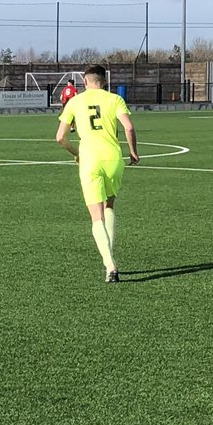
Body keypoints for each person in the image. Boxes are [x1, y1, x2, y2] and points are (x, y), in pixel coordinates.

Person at [54, 64, 140, 284]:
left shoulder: (75, 101)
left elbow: (60, 137)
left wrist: (77, 153)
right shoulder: (114, 100)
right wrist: (133, 151)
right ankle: (109, 256)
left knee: (95, 216)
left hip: (90, 160)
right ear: (104, 81)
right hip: (113, 158)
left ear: (85, 82)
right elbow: (129, 127)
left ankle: (110, 265)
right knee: (109, 206)